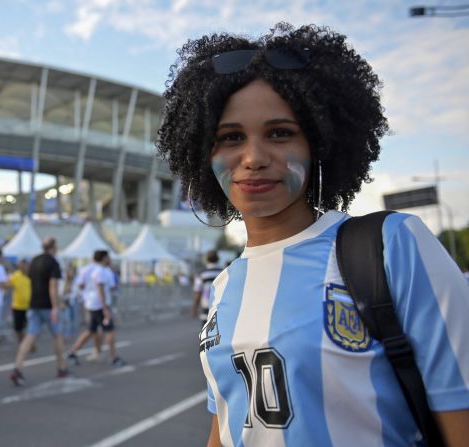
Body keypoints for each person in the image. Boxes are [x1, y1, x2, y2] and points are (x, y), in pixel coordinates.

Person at [156, 23, 469, 446]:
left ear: (318, 143)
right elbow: (226, 426)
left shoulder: (392, 245)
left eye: (280, 133)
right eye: (230, 138)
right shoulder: (225, 286)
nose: (253, 158)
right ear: (203, 154)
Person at [10, 237, 68, 385]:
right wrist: (56, 306)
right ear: (53, 247)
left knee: (30, 336)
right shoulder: (53, 263)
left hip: (34, 303)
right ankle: (61, 368)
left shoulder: (35, 261)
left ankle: (18, 368)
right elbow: (53, 286)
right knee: (58, 335)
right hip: (48, 305)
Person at [66, 250, 125, 368]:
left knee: (91, 330)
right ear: (103, 258)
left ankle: (72, 352)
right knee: (109, 331)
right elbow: (101, 289)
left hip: (92, 303)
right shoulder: (101, 271)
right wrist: (105, 308)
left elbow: (81, 285)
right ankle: (114, 357)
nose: (110, 260)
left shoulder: (94, 270)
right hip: (99, 305)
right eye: (108, 257)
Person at [191, 251, 222, 325]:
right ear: (218, 259)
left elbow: (198, 291)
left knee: (206, 334)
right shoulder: (223, 272)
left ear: (207, 259)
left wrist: (195, 306)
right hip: (220, 308)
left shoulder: (201, 273)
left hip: (206, 307)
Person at [9, 259, 31, 345]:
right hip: (17, 306)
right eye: (20, 266)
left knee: (30, 327)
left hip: (29, 306)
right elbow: (7, 285)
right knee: (18, 328)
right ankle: (22, 342)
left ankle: (29, 343)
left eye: (24, 266)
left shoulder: (31, 276)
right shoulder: (15, 276)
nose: (22, 268)